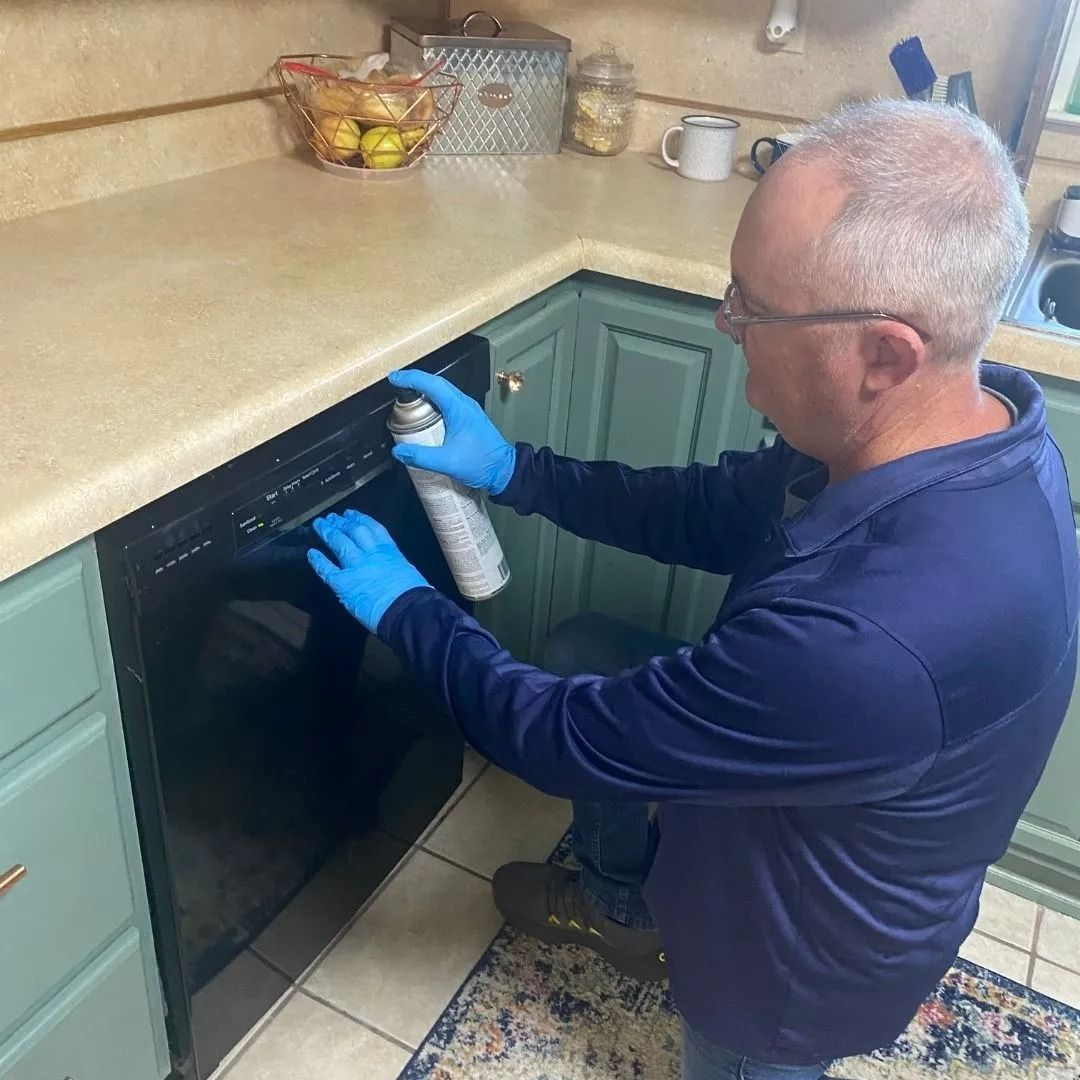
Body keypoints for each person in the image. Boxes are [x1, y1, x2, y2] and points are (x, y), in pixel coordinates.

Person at [307, 99, 1077, 1080]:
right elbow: (714, 509)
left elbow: (561, 738)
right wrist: (514, 468)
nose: (727, 325)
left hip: (788, 969)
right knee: (587, 645)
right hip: (804, 806)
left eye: (753, 307)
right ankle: (623, 906)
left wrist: (407, 607)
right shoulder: (974, 420)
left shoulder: (871, 643)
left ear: (886, 352)